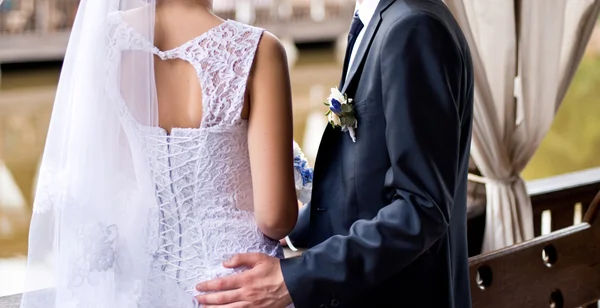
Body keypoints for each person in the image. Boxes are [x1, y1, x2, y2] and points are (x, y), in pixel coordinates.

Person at [20, 0, 301, 307]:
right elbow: (275, 219)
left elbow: (110, 169)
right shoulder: (258, 50)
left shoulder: (106, 39)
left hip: (143, 284)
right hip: (234, 289)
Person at [195, 0, 475, 307]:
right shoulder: (382, 20)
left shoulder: (413, 26)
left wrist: (296, 278)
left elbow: (421, 208)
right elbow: (364, 181)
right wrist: (286, 234)